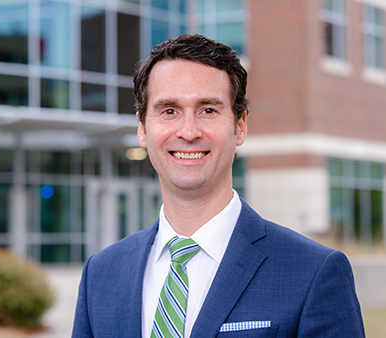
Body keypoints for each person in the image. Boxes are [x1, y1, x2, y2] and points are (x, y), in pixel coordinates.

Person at [72, 34, 365, 338]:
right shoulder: (100, 275)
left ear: (240, 127)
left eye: (208, 110)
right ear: (142, 129)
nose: (188, 132)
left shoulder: (312, 273)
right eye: (169, 110)